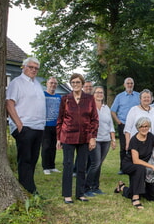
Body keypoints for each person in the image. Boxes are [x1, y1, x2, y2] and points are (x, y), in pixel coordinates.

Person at [56, 73, 99, 204]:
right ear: (70, 84)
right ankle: (67, 194)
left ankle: (80, 193)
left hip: (85, 137)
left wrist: (92, 137)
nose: (75, 85)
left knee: (82, 166)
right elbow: (60, 119)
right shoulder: (65, 99)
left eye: (78, 82)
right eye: (73, 82)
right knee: (68, 165)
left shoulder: (89, 99)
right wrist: (58, 138)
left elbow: (94, 119)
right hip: (68, 136)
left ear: (82, 84)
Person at [6, 57, 46, 195]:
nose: (33, 70)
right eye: (31, 67)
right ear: (23, 67)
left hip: (38, 127)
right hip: (25, 127)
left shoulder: (37, 84)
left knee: (33, 159)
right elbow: (9, 103)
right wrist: (18, 124)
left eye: (36, 68)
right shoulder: (17, 83)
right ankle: (26, 190)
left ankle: (31, 187)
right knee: (25, 159)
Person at [120, 117, 154, 209]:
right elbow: (135, 160)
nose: (144, 128)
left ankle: (122, 187)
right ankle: (136, 197)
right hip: (129, 164)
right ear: (138, 128)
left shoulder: (151, 137)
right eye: (141, 126)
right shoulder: (134, 140)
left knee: (140, 170)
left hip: (140, 165)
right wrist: (152, 166)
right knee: (140, 168)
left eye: (146, 126)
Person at [84, 86, 116, 197]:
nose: (99, 94)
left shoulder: (106, 108)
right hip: (95, 140)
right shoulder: (89, 107)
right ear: (93, 94)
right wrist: (89, 139)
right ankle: (86, 188)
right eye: (97, 92)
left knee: (99, 164)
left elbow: (110, 124)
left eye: (101, 92)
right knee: (95, 163)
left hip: (105, 140)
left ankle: (95, 187)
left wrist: (113, 139)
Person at [111, 77, 140, 173]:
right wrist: (118, 121)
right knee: (124, 147)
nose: (130, 85)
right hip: (123, 124)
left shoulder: (138, 96)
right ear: (124, 85)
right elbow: (113, 111)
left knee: (136, 146)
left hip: (136, 126)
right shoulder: (119, 97)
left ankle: (136, 165)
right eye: (128, 83)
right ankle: (123, 168)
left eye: (131, 83)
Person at [41, 76, 62, 175]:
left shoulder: (59, 97)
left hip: (56, 125)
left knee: (53, 146)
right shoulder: (42, 95)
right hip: (45, 125)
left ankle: (52, 166)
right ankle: (45, 167)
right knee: (46, 146)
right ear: (47, 84)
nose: (53, 85)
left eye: (55, 83)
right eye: (51, 83)